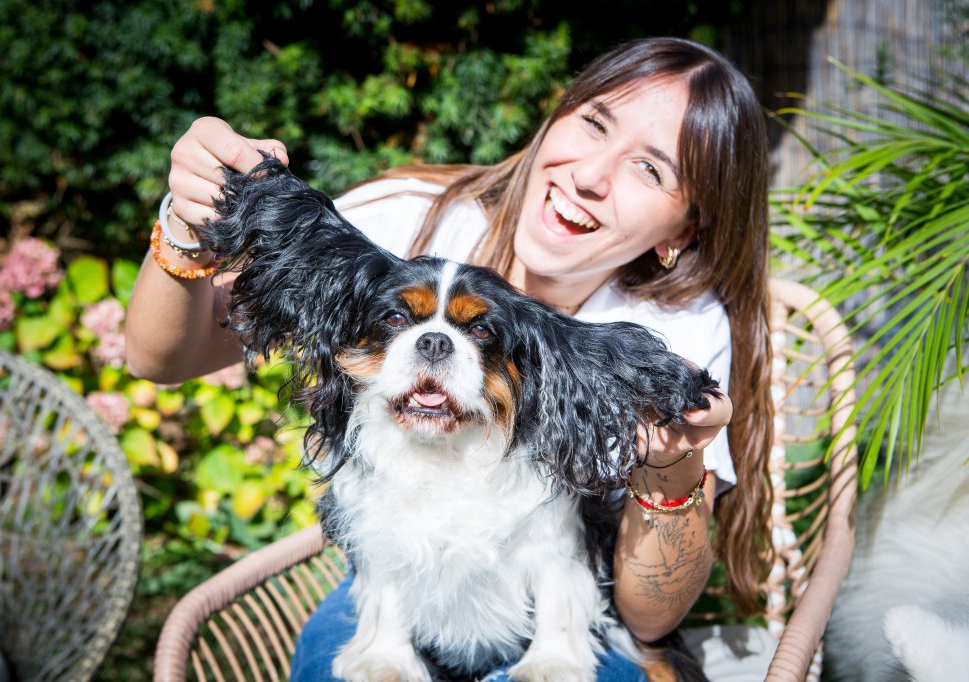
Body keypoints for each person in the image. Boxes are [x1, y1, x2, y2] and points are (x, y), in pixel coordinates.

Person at [127, 36, 773, 680]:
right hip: (401, 591)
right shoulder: (405, 220)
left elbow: (652, 619)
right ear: (555, 118)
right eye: (594, 124)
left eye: (650, 169)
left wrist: (674, 462)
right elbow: (160, 359)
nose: (589, 176)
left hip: (572, 614)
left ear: (684, 230)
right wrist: (191, 220)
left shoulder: (677, 332)